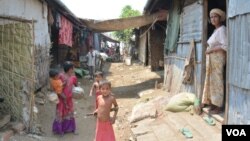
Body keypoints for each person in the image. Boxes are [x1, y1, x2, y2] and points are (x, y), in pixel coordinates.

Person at [201, 8, 227, 114]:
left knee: (217, 82)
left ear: (220, 18)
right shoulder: (215, 30)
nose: (213, 19)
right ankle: (212, 103)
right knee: (211, 82)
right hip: (212, 60)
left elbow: (225, 46)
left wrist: (211, 50)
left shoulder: (222, 29)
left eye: (215, 16)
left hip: (217, 60)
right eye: (211, 17)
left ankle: (219, 106)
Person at [52, 61, 78, 136]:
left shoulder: (73, 77)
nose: (73, 69)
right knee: (61, 114)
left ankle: (72, 128)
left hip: (69, 99)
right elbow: (55, 86)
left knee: (70, 113)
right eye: (73, 68)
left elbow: (76, 86)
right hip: (61, 99)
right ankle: (60, 130)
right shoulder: (60, 76)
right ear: (70, 69)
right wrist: (61, 89)